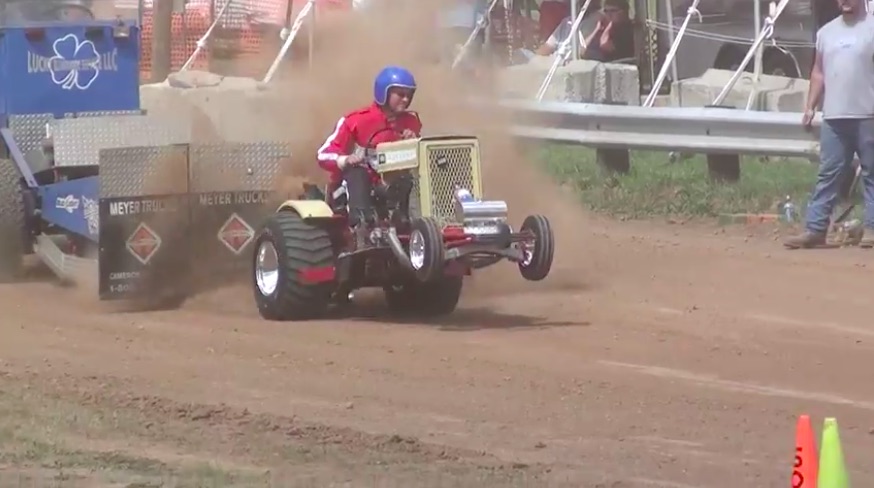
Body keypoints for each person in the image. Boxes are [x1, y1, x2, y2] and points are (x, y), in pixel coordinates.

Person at [783, 0, 874, 249]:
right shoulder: (826, 33)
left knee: (871, 173)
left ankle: (871, 229)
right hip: (834, 116)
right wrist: (810, 105)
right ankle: (815, 229)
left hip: (868, 115)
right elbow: (818, 72)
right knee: (828, 174)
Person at [317, 66, 422, 238]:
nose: (405, 99)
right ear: (384, 93)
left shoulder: (411, 122)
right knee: (357, 173)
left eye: (409, 95)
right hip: (354, 187)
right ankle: (361, 226)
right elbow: (322, 154)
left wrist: (413, 141)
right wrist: (344, 160)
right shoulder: (357, 120)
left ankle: (407, 221)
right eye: (400, 94)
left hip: (389, 185)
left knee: (410, 178)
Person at [531, 0, 633, 63]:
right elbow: (548, 47)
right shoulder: (568, 21)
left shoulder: (624, 30)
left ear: (623, 12)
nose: (609, 14)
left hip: (576, 64)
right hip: (554, 62)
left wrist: (604, 26)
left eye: (613, 11)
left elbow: (602, 45)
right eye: (606, 11)